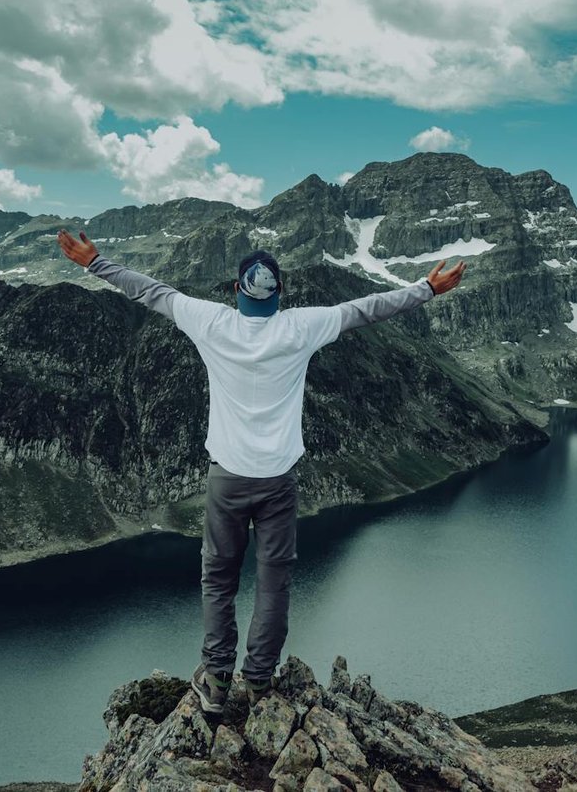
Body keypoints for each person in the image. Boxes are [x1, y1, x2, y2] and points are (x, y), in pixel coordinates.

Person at [57, 228, 465, 713]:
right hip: (278, 482)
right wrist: (427, 289)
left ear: (235, 290)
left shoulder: (210, 322)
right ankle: (258, 681)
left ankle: (215, 680)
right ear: (280, 293)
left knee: (219, 579)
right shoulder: (301, 327)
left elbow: (149, 290)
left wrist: (94, 262)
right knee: (274, 581)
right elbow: (367, 308)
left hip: (227, 479)